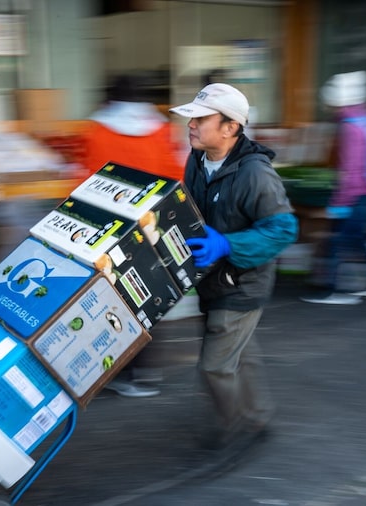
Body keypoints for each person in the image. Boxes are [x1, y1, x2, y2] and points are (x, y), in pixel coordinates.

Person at [169, 83, 297, 450]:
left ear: (231, 127)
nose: (191, 125)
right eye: (190, 118)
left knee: (215, 365)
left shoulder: (255, 174)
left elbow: (284, 229)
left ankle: (237, 429)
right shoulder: (197, 160)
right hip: (211, 277)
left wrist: (227, 244)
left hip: (242, 281)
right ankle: (256, 417)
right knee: (242, 354)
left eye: (200, 119)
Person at [79, 75, 188, 398]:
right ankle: (147, 373)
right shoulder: (161, 129)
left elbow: (88, 181)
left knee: (118, 298)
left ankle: (125, 370)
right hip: (151, 222)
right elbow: (176, 174)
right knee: (151, 292)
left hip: (111, 227)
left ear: (109, 98)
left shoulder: (97, 132)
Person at [301, 71, 366, 305]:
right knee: (358, 239)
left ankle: (339, 292)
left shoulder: (351, 127)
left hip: (357, 194)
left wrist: (339, 204)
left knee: (340, 241)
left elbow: (352, 172)